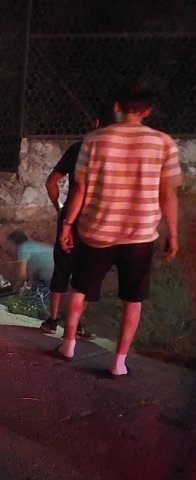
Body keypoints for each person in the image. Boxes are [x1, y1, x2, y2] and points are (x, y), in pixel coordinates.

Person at [58, 84, 182, 376]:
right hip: (140, 234)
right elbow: (168, 195)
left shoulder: (95, 140)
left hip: (97, 230)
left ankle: (68, 345)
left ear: (117, 106)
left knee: (79, 289)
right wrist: (173, 232)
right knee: (133, 298)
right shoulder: (163, 143)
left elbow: (80, 189)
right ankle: (118, 362)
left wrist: (68, 223)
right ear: (147, 110)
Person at [41, 103, 116, 338]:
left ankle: (52, 320)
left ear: (96, 122)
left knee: (62, 270)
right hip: (98, 222)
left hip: (70, 219)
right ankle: (76, 326)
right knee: (88, 275)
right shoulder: (114, 155)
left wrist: (59, 207)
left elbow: (51, 182)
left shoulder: (78, 149)